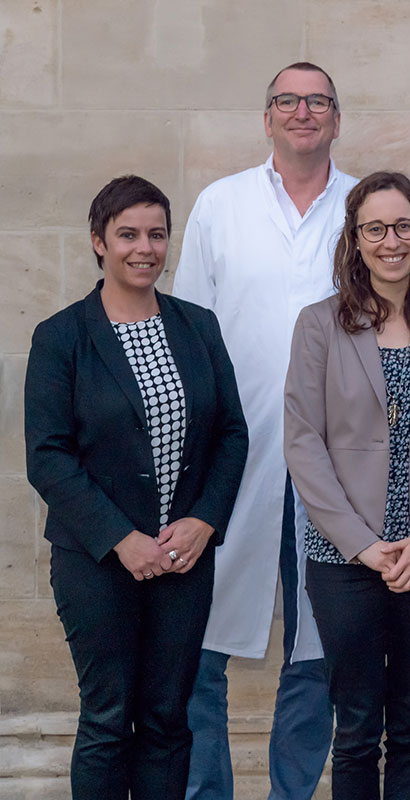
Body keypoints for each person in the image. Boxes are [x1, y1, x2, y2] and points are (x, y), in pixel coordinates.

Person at [24, 176, 248, 799]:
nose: (144, 247)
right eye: (127, 234)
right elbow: (47, 457)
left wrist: (205, 519)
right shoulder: (61, 337)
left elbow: (232, 433)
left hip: (183, 557)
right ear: (99, 241)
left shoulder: (198, 327)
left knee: (166, 720)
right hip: (97, 560)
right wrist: (122, 538)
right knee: (105, 720)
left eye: (156, 233)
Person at [172, 62, 358, 799]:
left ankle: (291, 794)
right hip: (231, 458)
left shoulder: (366, 205)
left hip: (339, 464)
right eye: (288, 100)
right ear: (268, 117)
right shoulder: (222, 204)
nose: (303, 112)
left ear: (337, 120)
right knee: (201, 647)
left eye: (318, 102)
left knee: (316, 653)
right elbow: (189, 331)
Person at [283, 171, 410, 798]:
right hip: (344, 559)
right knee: (355, 729)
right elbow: (303, 442)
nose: (390, 241)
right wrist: (362, 544)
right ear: (356, 239)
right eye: (375, 228)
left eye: (403, 226)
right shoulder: (318, 326)